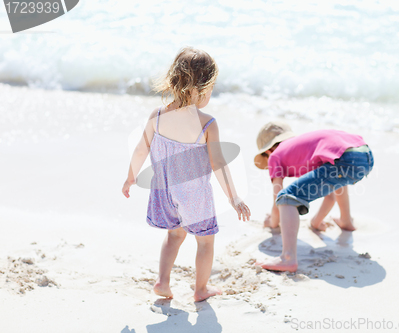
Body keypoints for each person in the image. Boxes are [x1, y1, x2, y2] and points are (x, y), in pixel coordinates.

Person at [121, 47, 251, 301]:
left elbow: (140, 150)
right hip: (194, 196)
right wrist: (233, 197)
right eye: (211, 88)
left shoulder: (157, 116)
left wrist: (130, 178)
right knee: (205, 241)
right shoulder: (207, 123)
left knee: (174, 235)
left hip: (164, 193)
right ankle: (201, 289)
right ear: (202, 88)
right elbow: (218, 163)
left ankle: (162, 282)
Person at [254, 121, 373, 272]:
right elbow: (331, 195)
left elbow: (278, 201)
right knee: (337, 178)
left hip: (345, 159)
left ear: (268, 151)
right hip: (364, 154)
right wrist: (316, 223)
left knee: (287, 197)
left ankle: (287, 258)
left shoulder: (274, 156)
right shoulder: (309, 147)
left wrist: (271, 221)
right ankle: (346, 221)